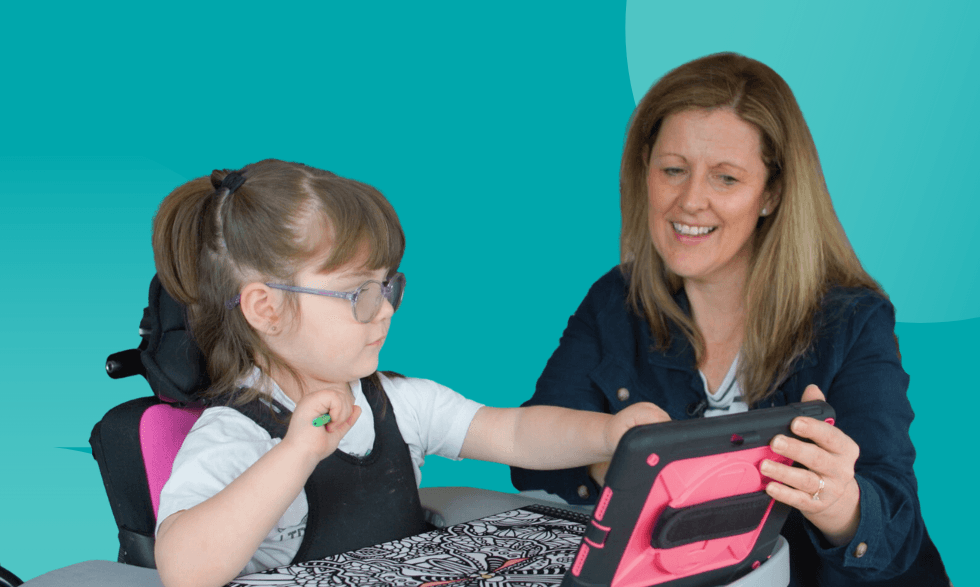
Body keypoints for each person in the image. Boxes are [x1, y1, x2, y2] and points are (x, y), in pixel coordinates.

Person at [510, 53, 949, 586]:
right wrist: (631, 468)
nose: (690, 201)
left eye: (725, 178)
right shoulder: (615, 300)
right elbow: (532, 457)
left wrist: (839, 502)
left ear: (772, 193)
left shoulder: (853, 320)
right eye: (673, 170)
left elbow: (894, 533)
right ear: (644, 170)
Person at [150, 159, 667, 587]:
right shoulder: (236, 435)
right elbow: (184, 570)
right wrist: (296, 452)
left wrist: (610, 433)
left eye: (387, 286)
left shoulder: (401, 404)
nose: (385, 310)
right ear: (266, 309)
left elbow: (512, 431)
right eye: (359, 294)